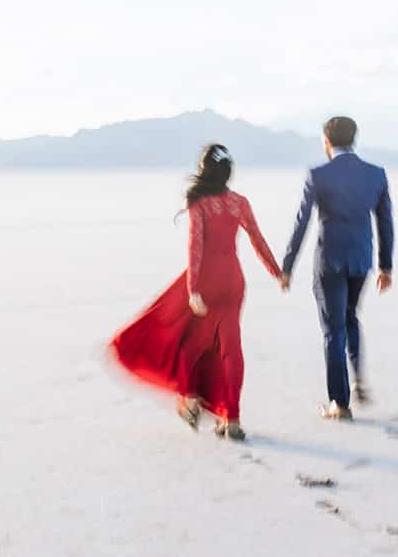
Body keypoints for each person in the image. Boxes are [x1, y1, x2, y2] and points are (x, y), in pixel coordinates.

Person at [110, 144, 281, 441]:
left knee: (190, 345)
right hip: (234, 281)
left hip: (207, 283)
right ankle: (233, 419)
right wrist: (276, 272)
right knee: (230, 348)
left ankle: (191, 399)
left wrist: (193, 291)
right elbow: (258, 240)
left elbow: (196, 248)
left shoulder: (199, 203)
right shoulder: (240, 202)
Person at [279, 116, 394, 421]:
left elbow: (301, 223)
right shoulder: (376, 174)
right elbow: (385, 222)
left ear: (327, 142)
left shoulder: (319, 175)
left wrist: (287, 265)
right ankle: (357, 378)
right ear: (353, 139)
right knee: (350, 317)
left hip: (329, 261)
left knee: (334, 331)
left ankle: (339, 403)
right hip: (361, 260)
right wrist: (386, 266)